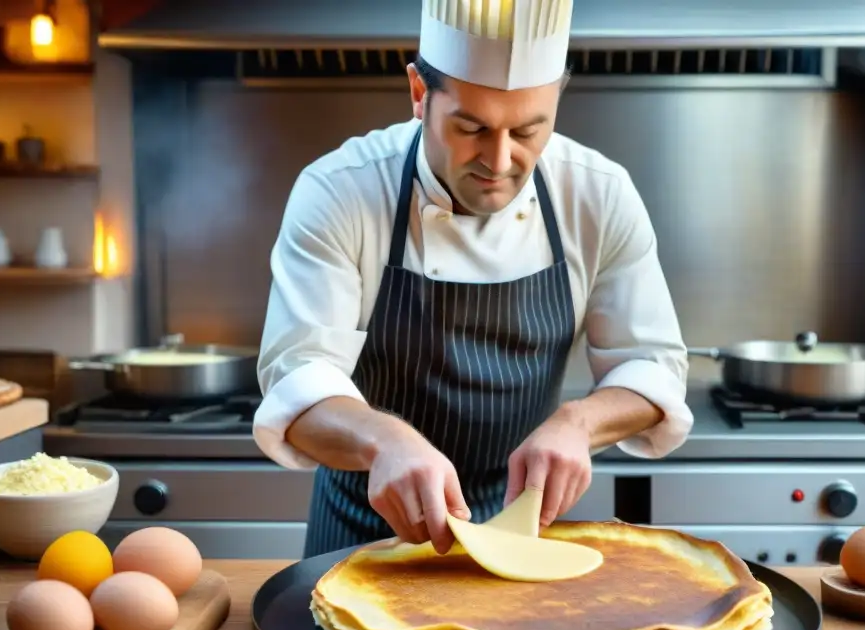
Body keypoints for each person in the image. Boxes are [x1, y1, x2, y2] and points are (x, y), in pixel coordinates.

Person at [253, 0, 694, 558]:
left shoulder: (597, 194)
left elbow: (653, 367)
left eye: (529, 130)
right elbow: (298, 379)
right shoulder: (340, 192)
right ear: (419, 93)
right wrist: (383, 440)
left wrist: (579, 422)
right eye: (471, 127)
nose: (501, 160)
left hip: (523, 537)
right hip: (364, 534)